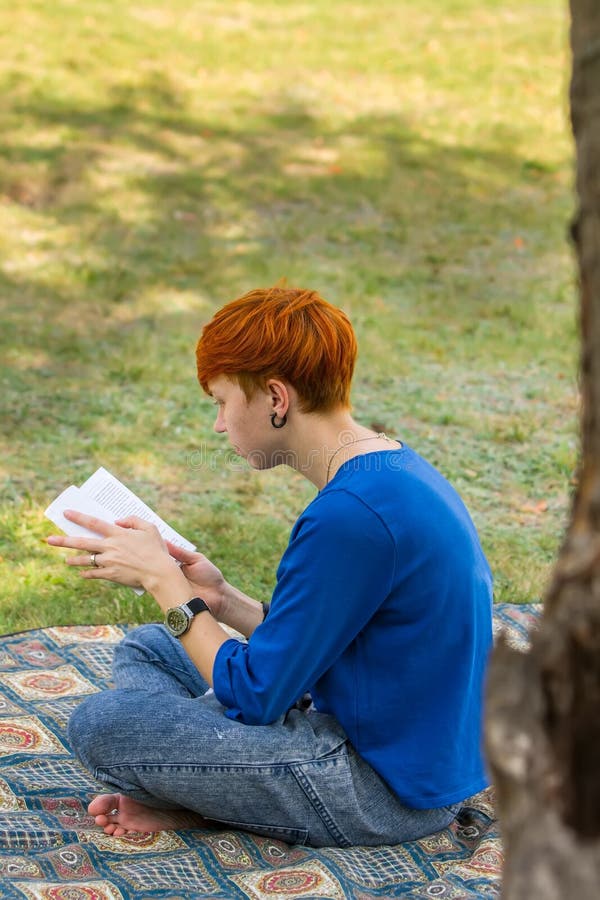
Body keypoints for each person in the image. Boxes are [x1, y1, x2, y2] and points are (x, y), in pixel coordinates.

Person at [47, 286, 493, 848]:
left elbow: (258, 696)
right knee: (148, 647)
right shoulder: (391, 470)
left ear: (276, 399)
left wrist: (165, 583)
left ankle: (193, 788)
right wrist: (223, 600)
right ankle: (198, 782)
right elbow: (335, 644)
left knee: (103, 724)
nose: (218, 425)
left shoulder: (349, 518)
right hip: (397, 734)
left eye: (222, 402)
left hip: (385, 788)